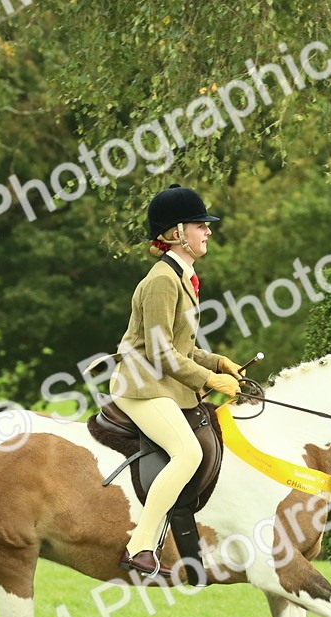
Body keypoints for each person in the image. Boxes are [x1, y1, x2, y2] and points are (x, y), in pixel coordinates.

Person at [107, 184, 243, 577]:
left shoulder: (182, 276)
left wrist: (219, 362)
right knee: (188, 453)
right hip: (141, 385)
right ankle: (141, 546)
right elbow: (160, 352)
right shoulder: (163, 280)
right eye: (201, 225)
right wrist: (210, 381)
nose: (208, 232)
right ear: (177, 233)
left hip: (162, 383)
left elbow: (182, 345)